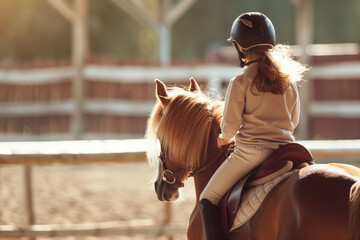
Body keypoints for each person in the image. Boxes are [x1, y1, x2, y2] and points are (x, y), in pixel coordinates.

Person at [199, 12, 309, 240]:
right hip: (285, 151)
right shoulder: (287, 80)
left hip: (250, 154)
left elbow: (229, 129)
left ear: (240, 47)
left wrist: (223, 139)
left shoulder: (240, 81)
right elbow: (294, 120)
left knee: (207, 198)